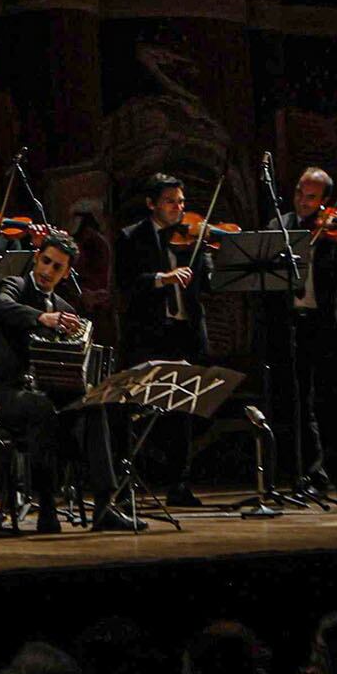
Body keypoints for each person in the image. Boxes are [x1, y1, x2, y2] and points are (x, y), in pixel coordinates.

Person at [0, 231, 139, 532]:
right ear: (37, 258)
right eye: (46, 261)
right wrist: (41, 318)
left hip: (48, 393)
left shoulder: (66, 308)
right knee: (40, 408)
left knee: (95, 405)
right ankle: (47, 507)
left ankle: (105, 505)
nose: (48, 271)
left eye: (57, 267)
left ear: (66, 273)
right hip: (6, 393)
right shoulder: (16, 285)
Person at [272, 167, 337, 502]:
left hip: (330, 327)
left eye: (311, 197)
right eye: (300, 193)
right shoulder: (280, 227)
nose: (302, 201)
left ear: (326, 201)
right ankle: (312, 475)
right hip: (293, 326)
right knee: (302, 406)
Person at [113, 172, 211, 506]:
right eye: (171, 202)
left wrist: (210, 252)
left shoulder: (193, 237)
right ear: (151, 203)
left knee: (184, 411)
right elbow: (126, 284)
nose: (178, 208)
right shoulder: (130, 237)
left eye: (182, 202)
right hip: (149, 334)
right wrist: (161, 278)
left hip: (185, 332)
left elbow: (207, 284)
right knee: (143, 410)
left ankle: (178, 484)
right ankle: (134, 481)